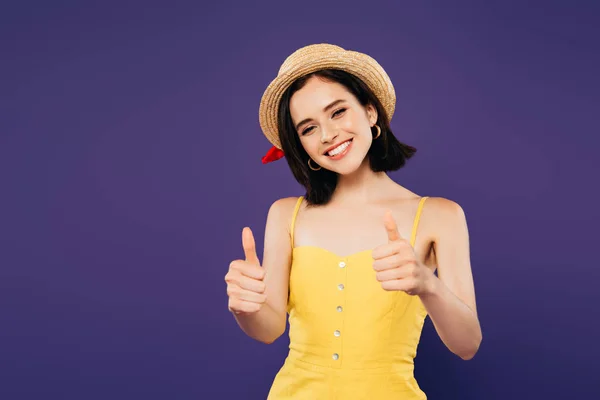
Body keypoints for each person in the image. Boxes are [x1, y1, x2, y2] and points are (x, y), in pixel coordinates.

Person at [224, 43, 482, 399]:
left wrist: (428, 285)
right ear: (301, 145)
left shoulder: (441, 216)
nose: (328, 134)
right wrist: (244, 306)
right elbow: (268, 329)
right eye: (308, 128)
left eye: (338, 111)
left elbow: (467, 345)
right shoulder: (286, 214)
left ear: (370, 112)